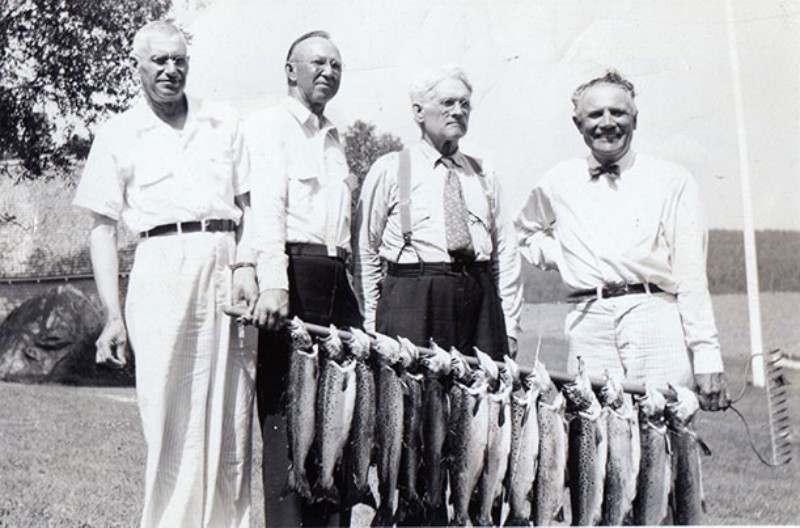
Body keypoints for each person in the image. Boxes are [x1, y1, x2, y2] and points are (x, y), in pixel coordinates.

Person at [72, 21, 257, 528]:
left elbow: (249, 205)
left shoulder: (223, 123)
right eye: (159, 61)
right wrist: (113, 316)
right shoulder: (118, 133)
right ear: (137, 68)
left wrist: (246, 265)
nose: (171, 70)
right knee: (168, 419)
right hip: (160, 268)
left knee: (231, 417)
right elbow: (102, 230)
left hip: (226, 266)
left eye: (179, 60)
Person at [515, 70, 729, 410]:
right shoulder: (559, 180)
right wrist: (563, 255)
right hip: (587, 320)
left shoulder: (671, 179)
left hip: (655, 318)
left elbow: (690, 274)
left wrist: (707, 357)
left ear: (635, 119)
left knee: (663, 435)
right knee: (592, 438)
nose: (607, 123)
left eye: (618, 113)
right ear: (578, 123)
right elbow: (525, 233)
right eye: (595, 114)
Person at [243, 30, 361, 527]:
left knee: (341, 425)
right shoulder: (270, 126)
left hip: (338, 279)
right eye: (317, 62)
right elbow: (266, 208)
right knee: (289, 424)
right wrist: (274, 282)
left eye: (336, 65)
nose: (328, 72)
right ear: (290, 70)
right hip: (294, 274)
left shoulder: (336, 137)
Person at [355, 65, 523, 366]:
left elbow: (507, 254)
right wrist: (370, 326)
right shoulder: (390, 168)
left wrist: (509, 325)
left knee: (481, 400)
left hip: (480, 300)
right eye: (448, 103)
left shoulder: (484, 173)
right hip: (413, 298)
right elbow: (366, 252)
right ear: (419, 112)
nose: (458, 111)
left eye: (465, 104)